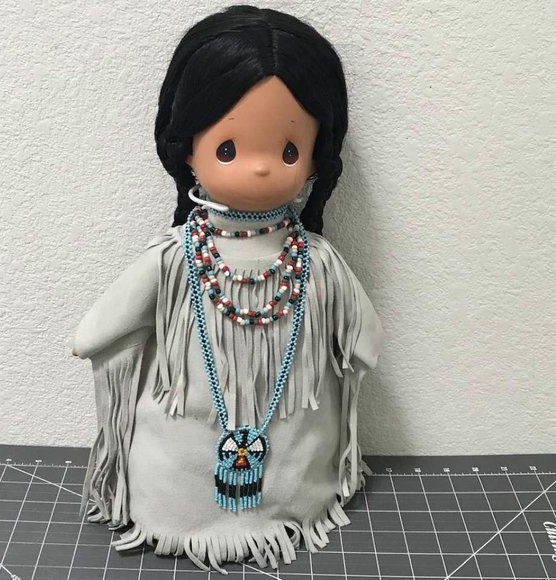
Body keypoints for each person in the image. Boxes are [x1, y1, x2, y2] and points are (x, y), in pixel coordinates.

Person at [71, 5, 384, 574]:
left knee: (295, 455)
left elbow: (364, 343)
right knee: (179, 462)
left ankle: (288, 502)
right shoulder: (174, 260)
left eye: (288, 151)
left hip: (297, 472)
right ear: (186, 146)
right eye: (228, 149)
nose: (261, 169)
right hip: (177, 473)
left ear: (316, 154)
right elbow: (95, 333)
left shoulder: (315, 262)